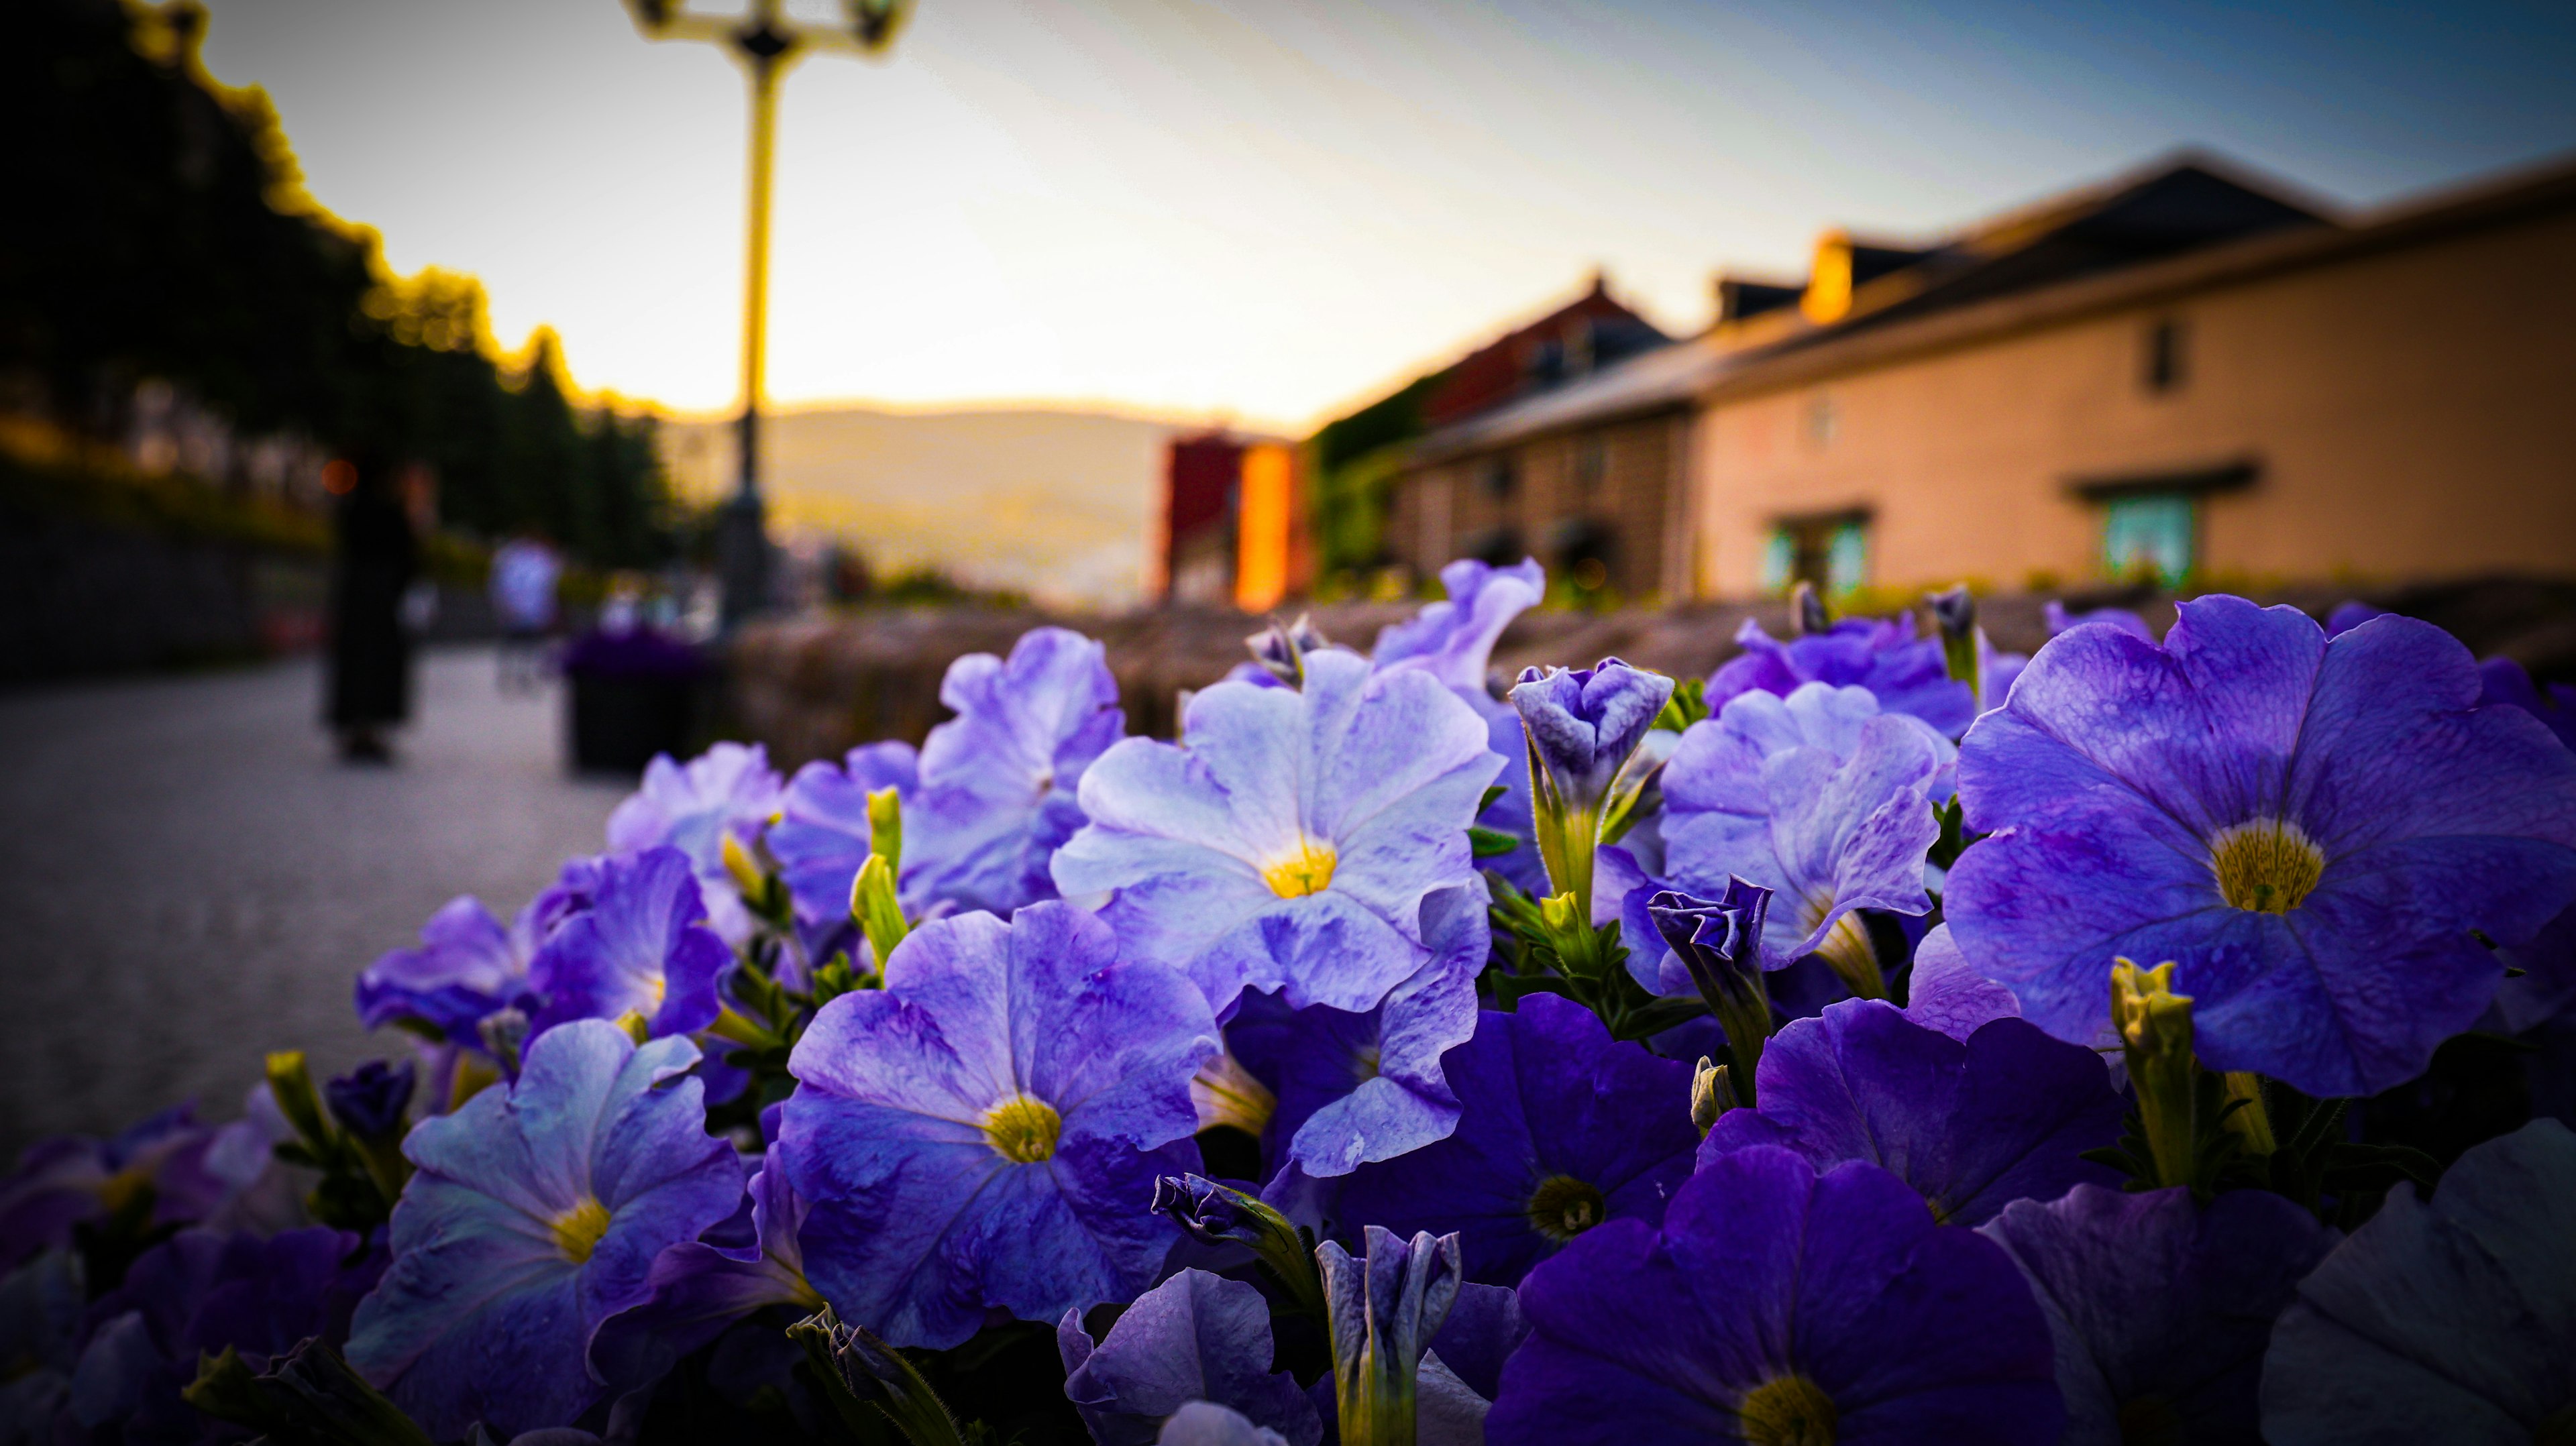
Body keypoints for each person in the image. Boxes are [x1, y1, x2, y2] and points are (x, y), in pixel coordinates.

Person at [323, 452, 419, 763]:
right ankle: (374, 728)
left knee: (355, 661)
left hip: (355, 594)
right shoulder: (392, 510)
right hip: (384, 596)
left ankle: (355, 728)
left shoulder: (350, 508)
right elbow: (409, 556)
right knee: (380, 663)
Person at [489, 533, 563, 693]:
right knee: (516, 645)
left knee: (529, 646)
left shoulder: (537, 559)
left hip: (530, 611)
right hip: (519, 610)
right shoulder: (514, 558)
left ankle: (524, 676)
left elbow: (547, 588)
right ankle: (512, 676)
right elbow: (502, 583)